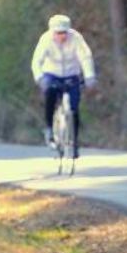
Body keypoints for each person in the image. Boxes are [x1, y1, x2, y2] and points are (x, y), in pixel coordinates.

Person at [30, 14, 96, 156]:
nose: (62, 36)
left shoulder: (76, 39)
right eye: (58, 33)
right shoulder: (45, 40)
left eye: (64, 33)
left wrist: (89, 75)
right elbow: (36, 61)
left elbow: (85, 57)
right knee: (50, 93)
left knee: (74, 106)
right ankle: (49, 129)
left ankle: (75, 141)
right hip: (52, 73)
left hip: (71, 74)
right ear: (52, 32)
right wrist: (39, 78)